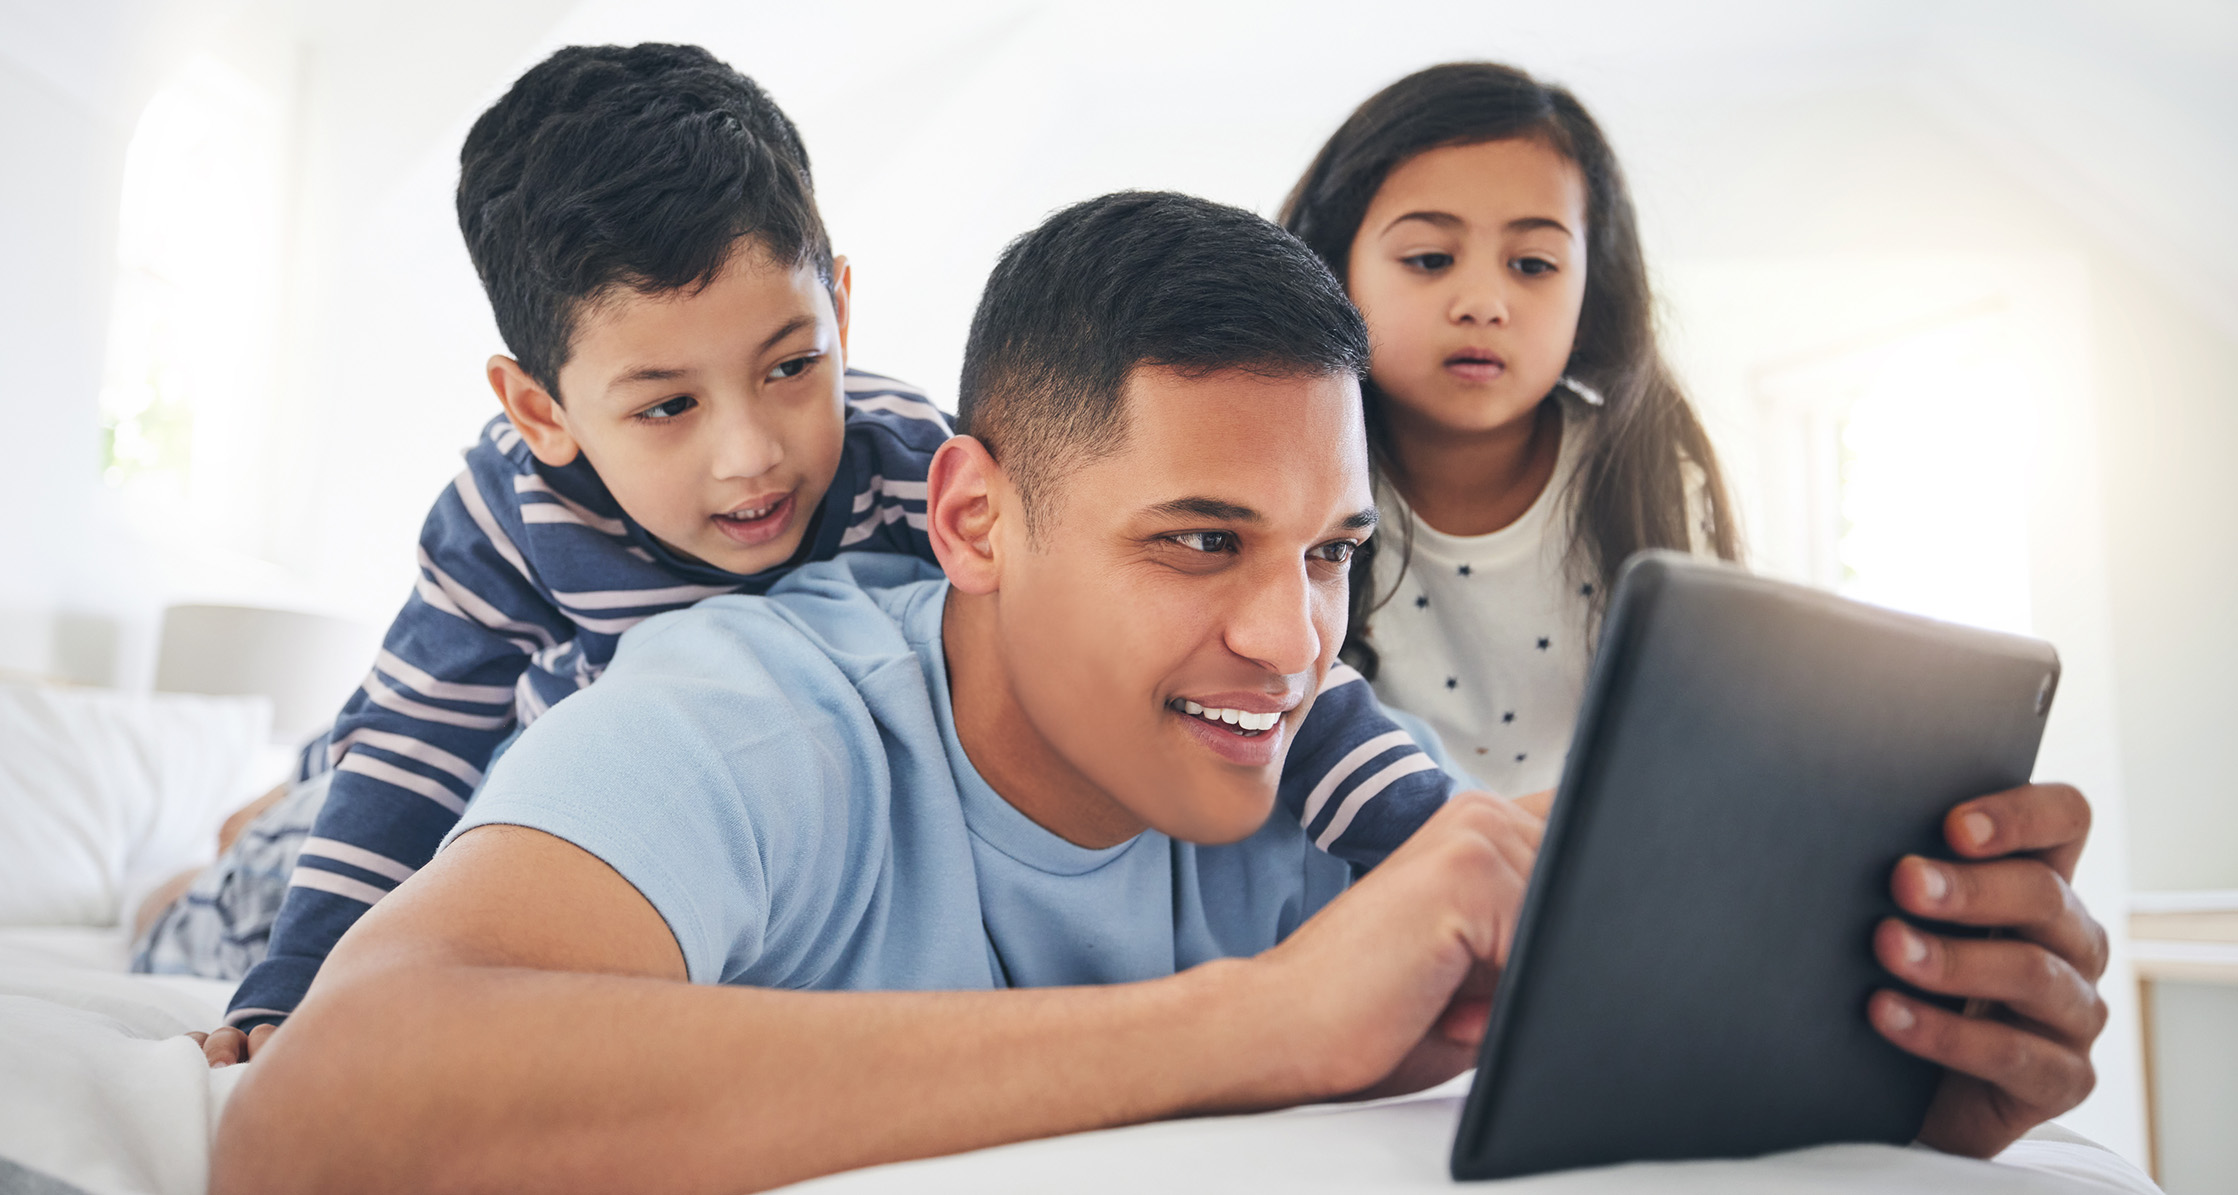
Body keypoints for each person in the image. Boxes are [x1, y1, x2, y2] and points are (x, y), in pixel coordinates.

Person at [212, 192, 2109, 1194]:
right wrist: (1254, 1024)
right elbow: (309, 1124)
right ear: (971, 517)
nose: (1290, 642)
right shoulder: (751, 706)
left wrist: (1890, 1070)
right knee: (244, 872)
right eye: (1197, 542)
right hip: (446, 811)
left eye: (1327, 553)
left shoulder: (1327, 780)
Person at [161, 45, 1464, 1060]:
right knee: (282, 851)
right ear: (540, 407)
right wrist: (295, 980)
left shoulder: (909, 462)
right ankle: (227, 838)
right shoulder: (508, 511)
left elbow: (1244, 657)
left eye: (791, 365)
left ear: (839, 305)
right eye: (668, 404)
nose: (753, 454)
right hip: (500, 783)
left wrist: (1430, 832)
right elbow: (410, 741)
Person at [1279, 62, 1738, 796]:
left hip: (1582, 867)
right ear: (1335, 274)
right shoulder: (1289, 477)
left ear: (1592, 294)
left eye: (1533, 264)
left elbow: (1707, 732)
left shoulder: (1647, 473)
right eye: (1430, 259)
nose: (1484, 302)